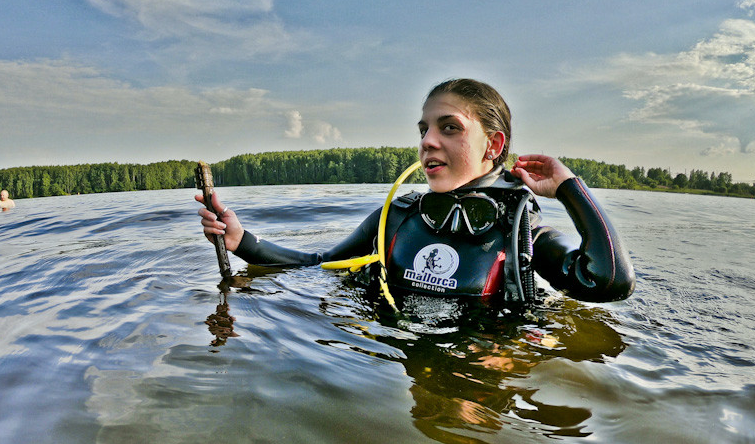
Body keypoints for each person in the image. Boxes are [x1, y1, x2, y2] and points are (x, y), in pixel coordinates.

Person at [197, 78, 635, 305]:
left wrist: (568, 187)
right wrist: (242, 242)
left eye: (449, 128)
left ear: (494, 145)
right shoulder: (398, 217)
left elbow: (609, 281)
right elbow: (318, 265)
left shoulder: (519, 231)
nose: (427, 140)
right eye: (424, 129)